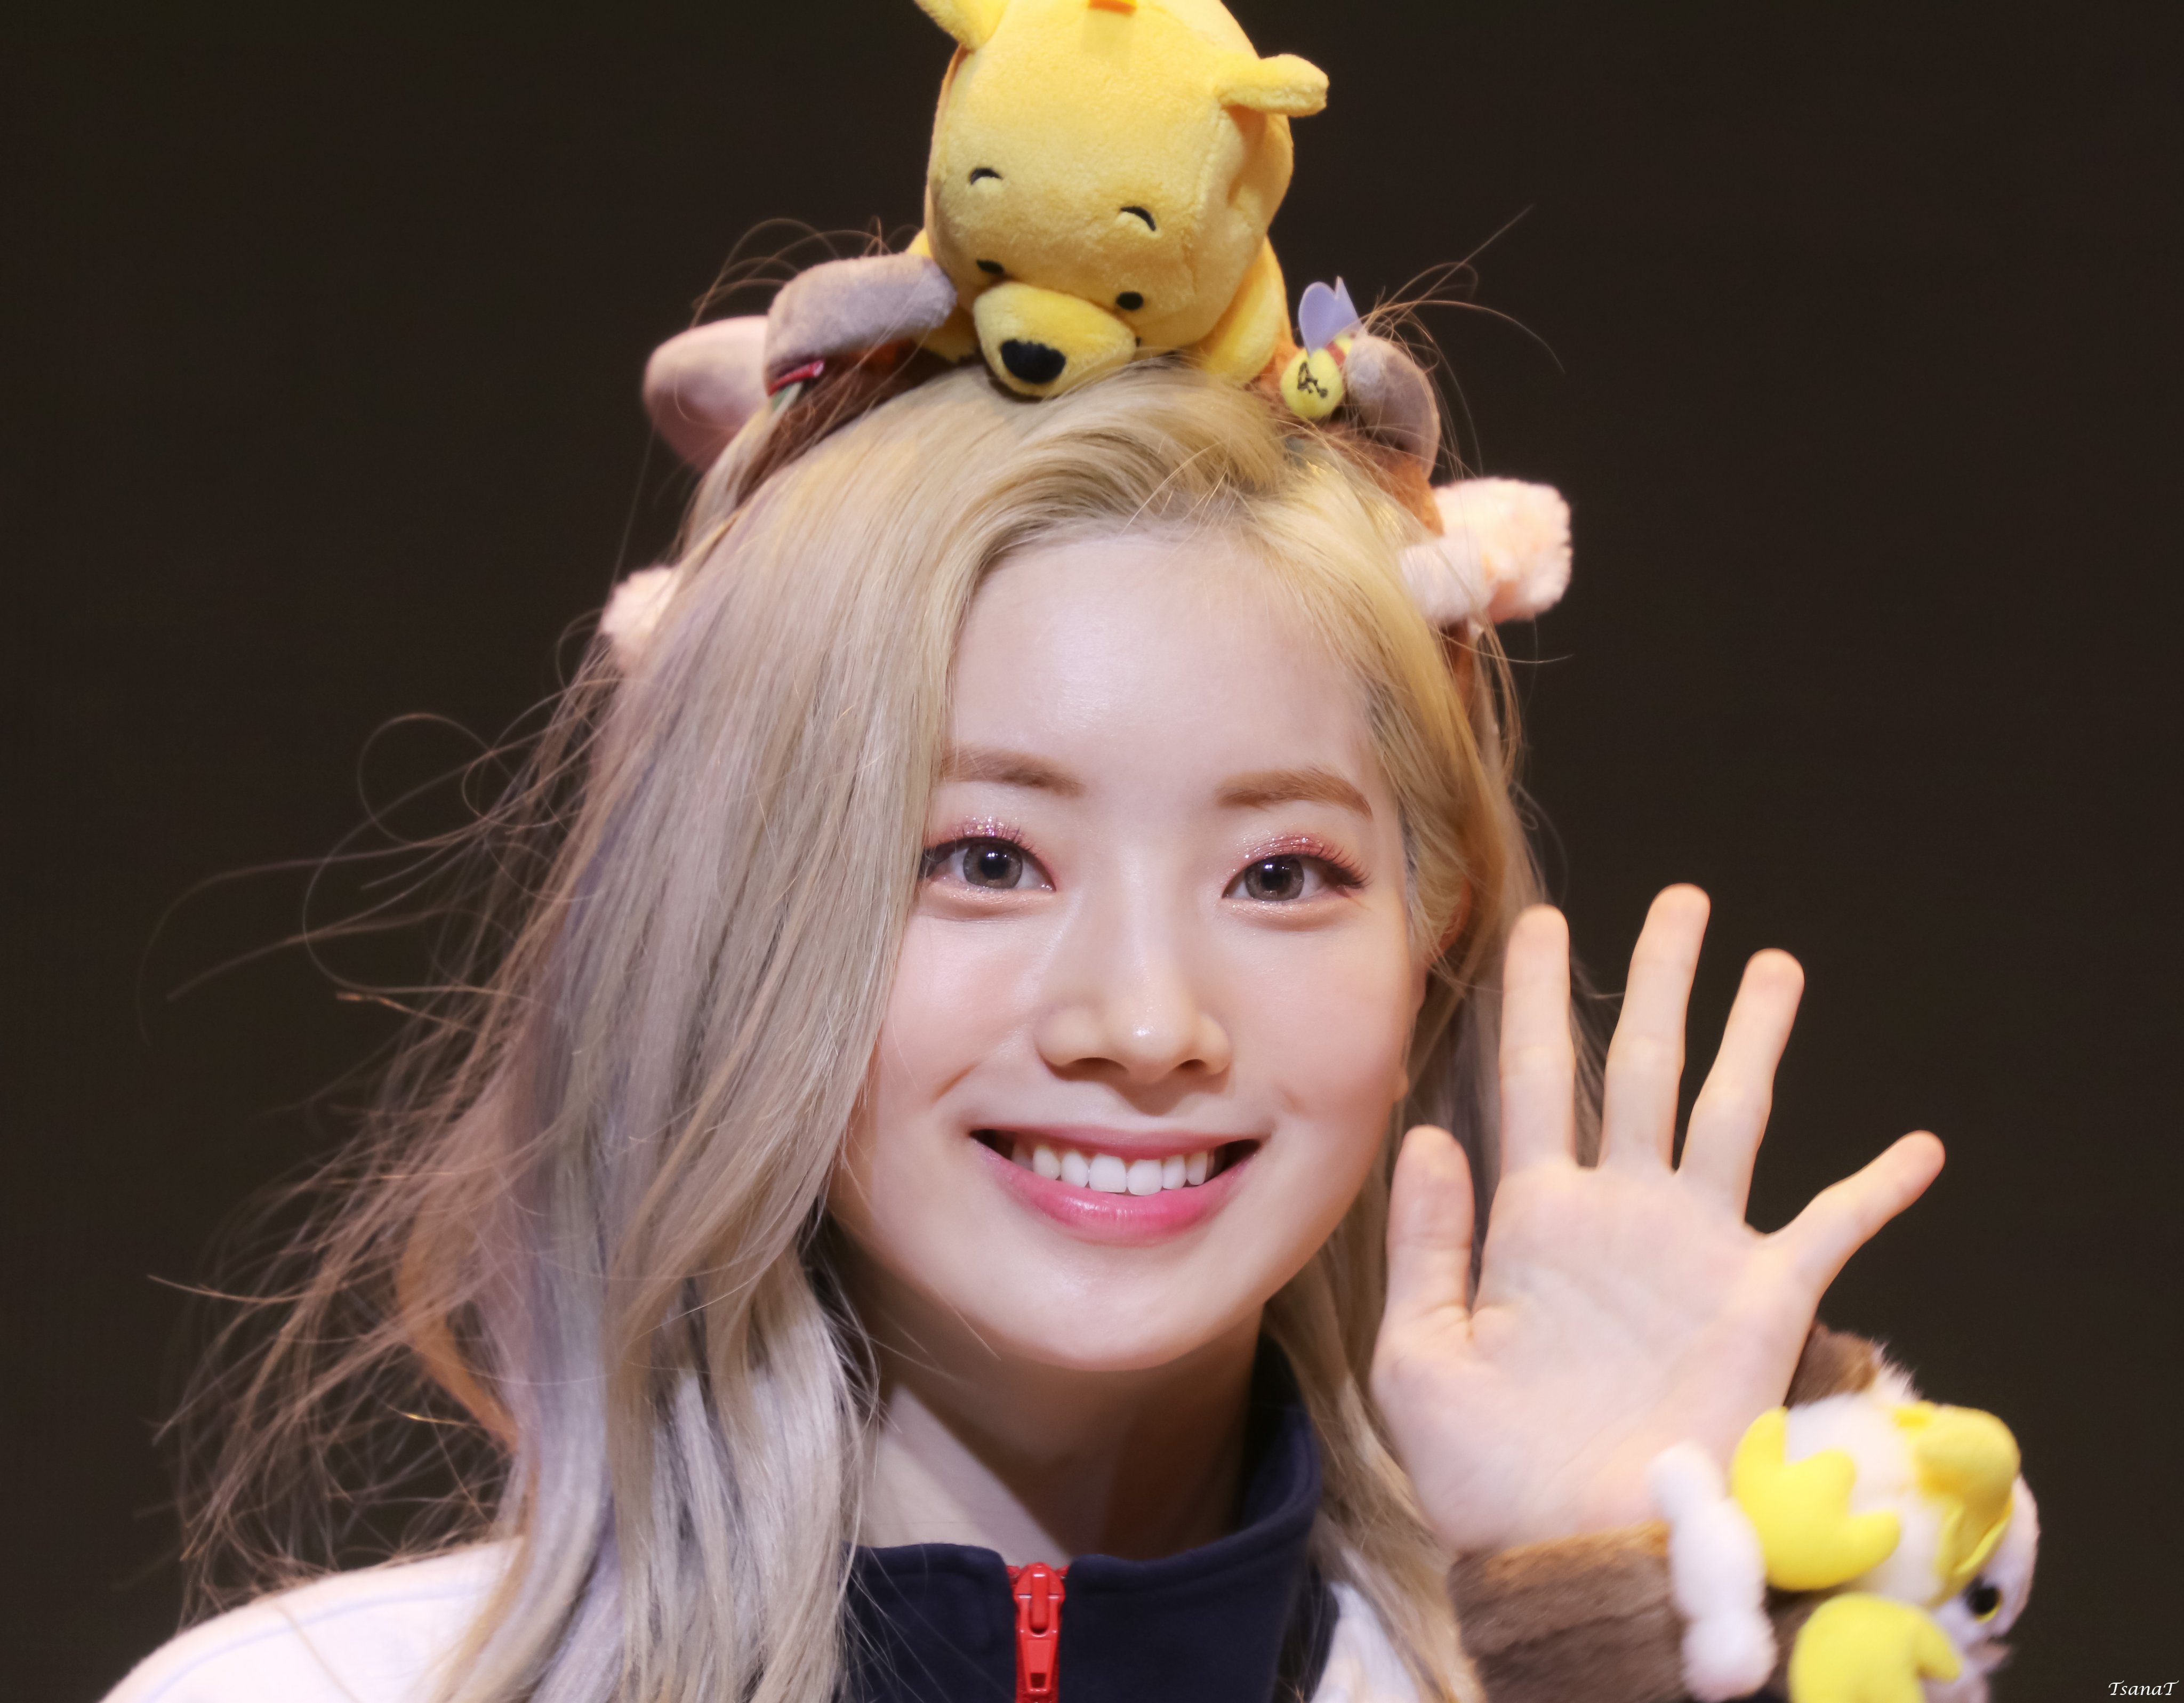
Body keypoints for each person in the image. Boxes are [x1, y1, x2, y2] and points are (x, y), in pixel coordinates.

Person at [104, 342, 1985, 1703]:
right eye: (984, 856)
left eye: (1283, 872)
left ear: (1430, 941)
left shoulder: (1603, 1660)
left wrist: (1604, 1631)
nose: (1145, 1020)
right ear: (743, 918)